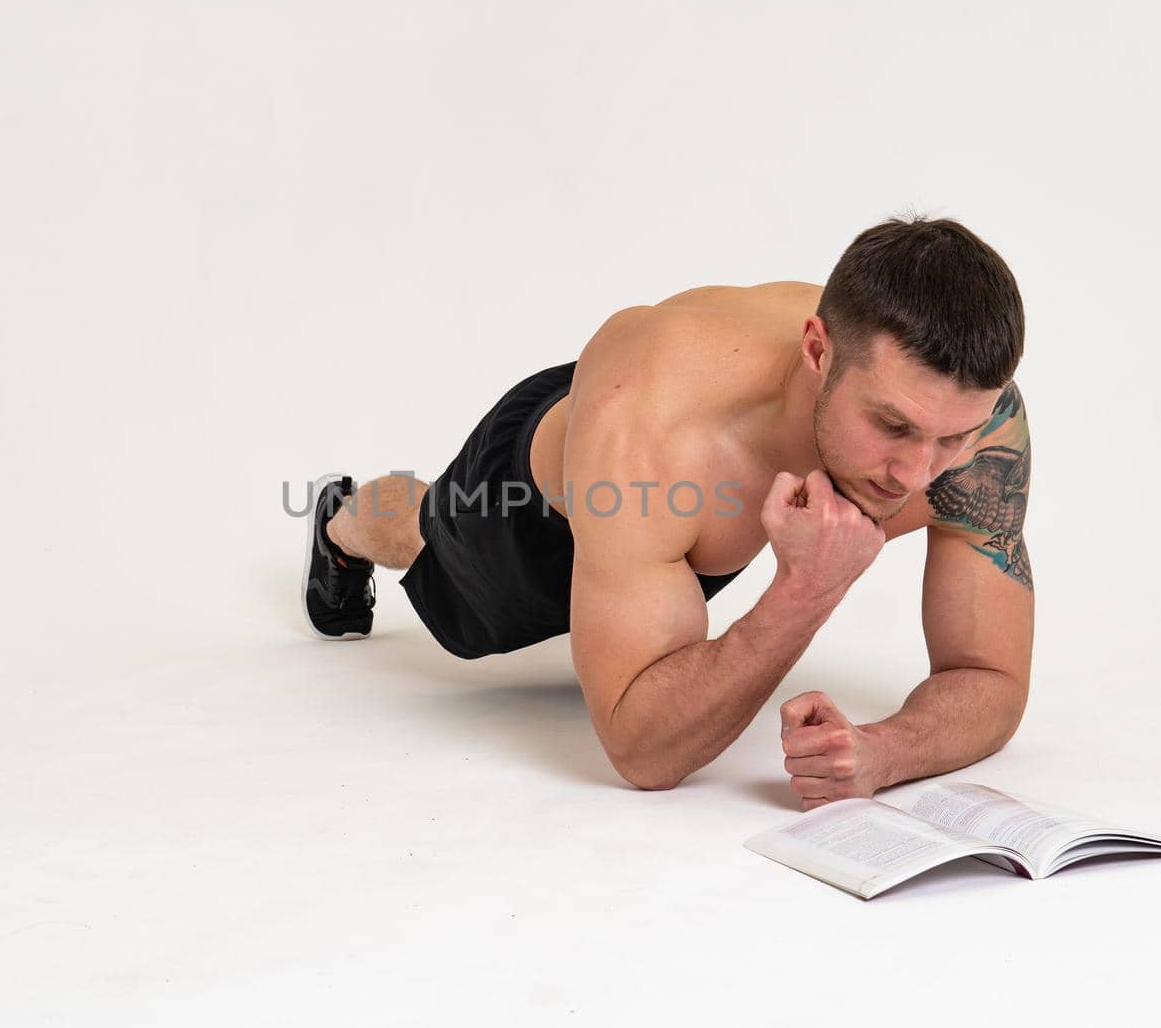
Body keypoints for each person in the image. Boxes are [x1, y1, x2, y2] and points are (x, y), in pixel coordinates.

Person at [300, 215, 1032, 804]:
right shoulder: (652, 431)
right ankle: (340, 525)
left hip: (682, 514)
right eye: (893, 426)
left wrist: (885, 751)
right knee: (426, 528)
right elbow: (639, 749)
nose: (918, 471)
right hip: (537, 507)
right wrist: (807, 587)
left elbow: (990, 677)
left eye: (952, 436)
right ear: (818, 352)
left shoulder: (981, 429)